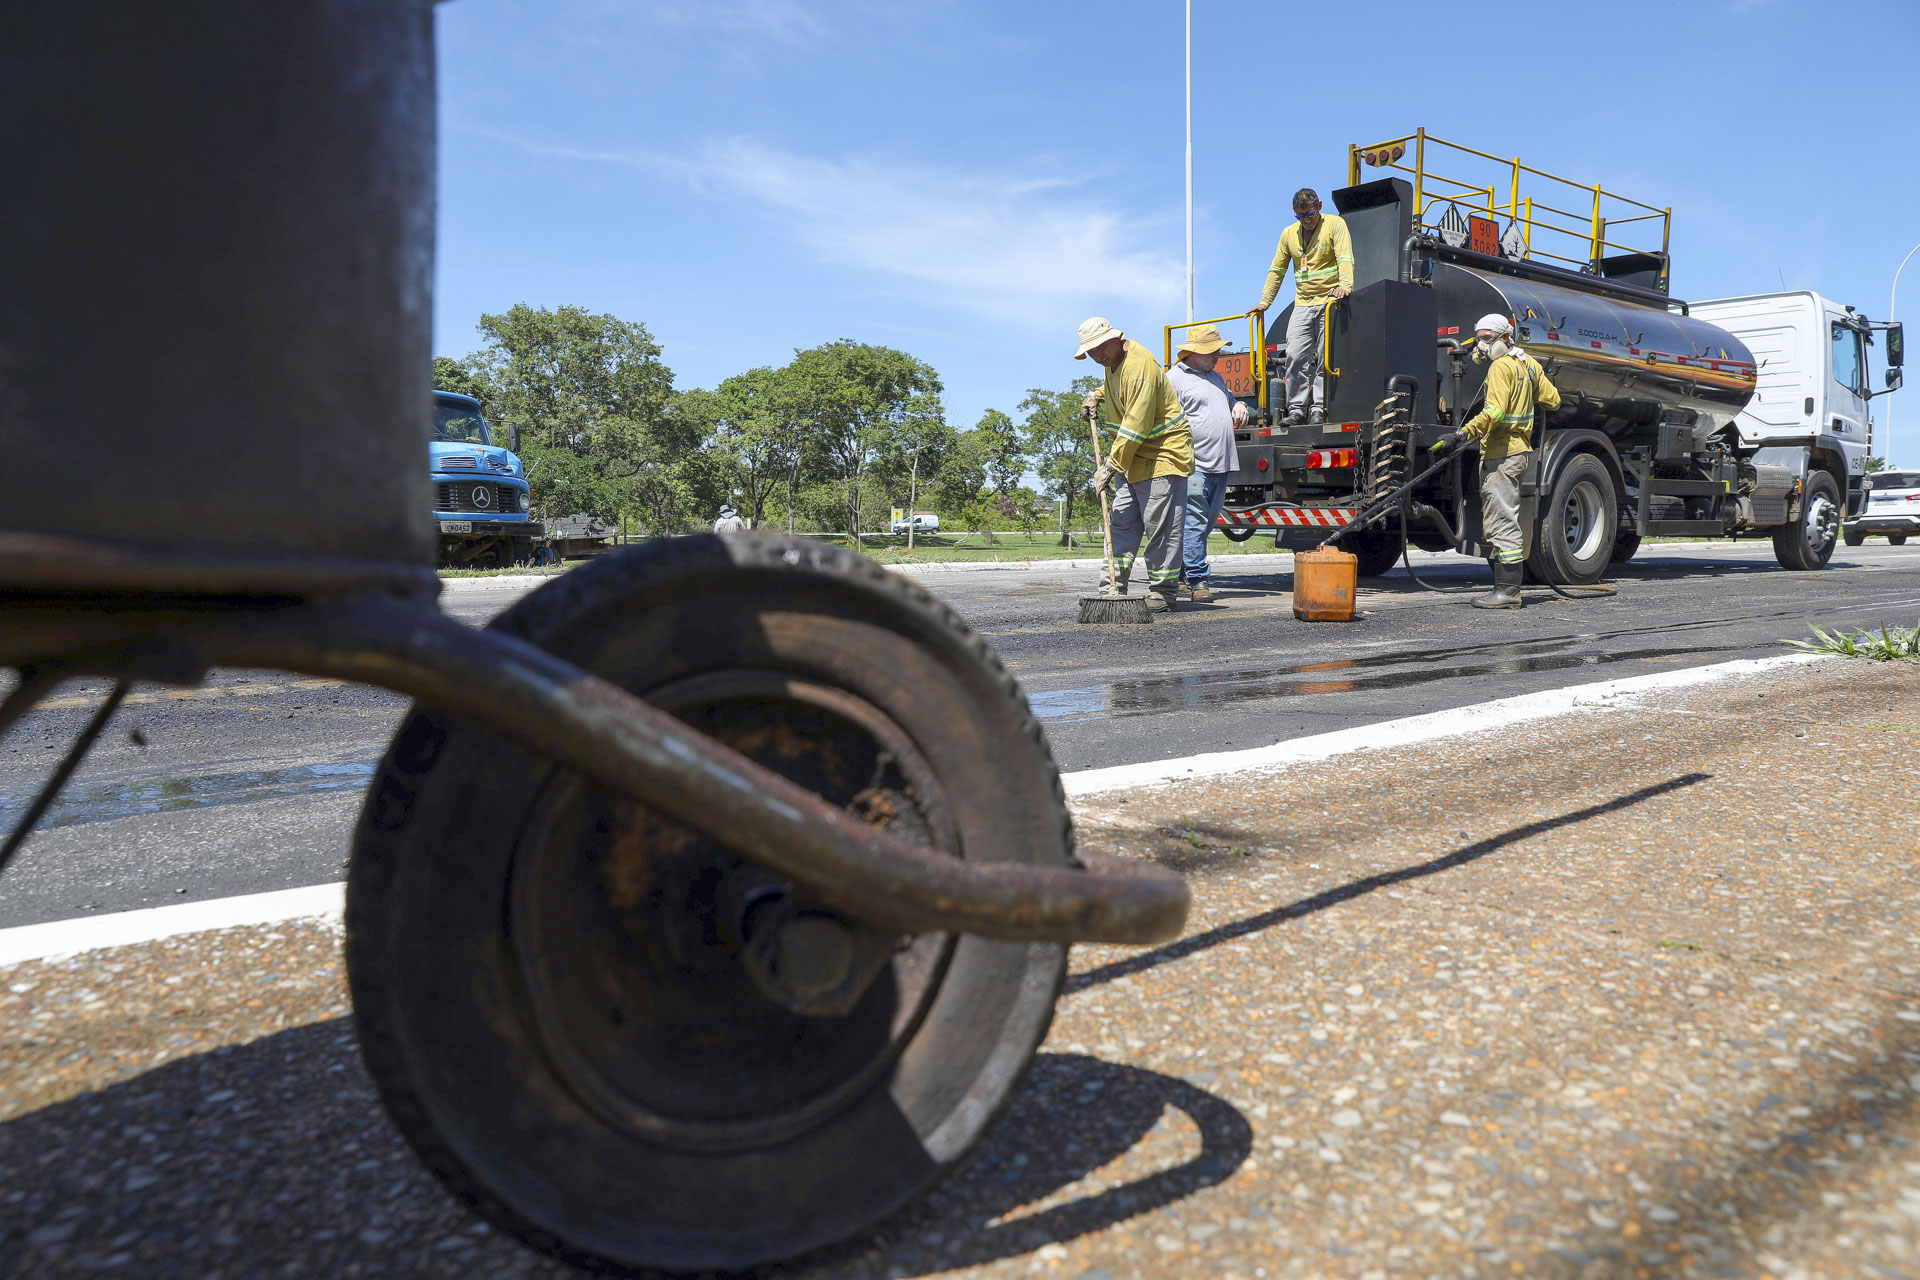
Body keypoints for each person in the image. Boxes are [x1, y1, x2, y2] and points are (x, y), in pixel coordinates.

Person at [1433, 313, 1561, 610]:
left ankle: (1508, 592)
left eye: (1487, 338)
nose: (1481, 344)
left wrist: (1461, 434)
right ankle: (1507, 589)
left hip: (1502, 454)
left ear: (1505, 337)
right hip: (1518, 452)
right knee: (1504, 518)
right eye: (1478, 337)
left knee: (1502, 522)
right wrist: (1538, 378)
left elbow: (1496, 413)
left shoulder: (1501, 367)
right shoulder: (1527, 363)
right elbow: (1553, 401)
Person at [1074, 316, 1194, 613]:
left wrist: (1109, 467)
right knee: (1122, 524)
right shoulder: (1112, 363)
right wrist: (1097, 395)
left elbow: (1135, 426)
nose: (1095, 355)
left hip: (1161, 456)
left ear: (1117, 338)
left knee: (1161, 530)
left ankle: (1163, 592)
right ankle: (1112, 585)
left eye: (1100, 347)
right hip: (1131, 459)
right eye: (1089, 351)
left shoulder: (1139, 365)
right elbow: (1118, 390)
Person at [1249, 188, 1354, 426]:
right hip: (1303, 303)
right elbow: (1277, 270)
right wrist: (1265, 301)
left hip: (1329, 301)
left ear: (1318, 205)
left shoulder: (1335, 225)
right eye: (1299, 217)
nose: (1305, 221)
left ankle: (1318, 407)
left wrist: (1345, 286)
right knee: (1295, 355)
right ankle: (1296, 408)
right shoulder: (1288, 234)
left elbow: (1345, 258)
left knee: (1326, 356)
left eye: (1309, 214)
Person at [1164, 323, 1248, 603]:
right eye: (1213, 350)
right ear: (1194, 352)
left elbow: (1229, 400)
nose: (1218, 355)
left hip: (1220, 464)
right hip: (1193, 466)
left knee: (1205, 523)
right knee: (1194, 522)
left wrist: (1239, 405)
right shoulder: (1174, 379)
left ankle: (1180, 577)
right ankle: (1199, 580)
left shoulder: (1214, 377)